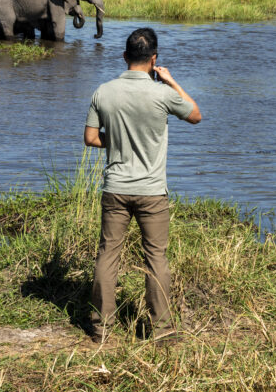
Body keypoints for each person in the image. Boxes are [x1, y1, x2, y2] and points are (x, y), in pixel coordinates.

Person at [84, 27, 202, 342]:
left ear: (125, 56)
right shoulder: (162, 94)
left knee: (108, 253)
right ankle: (162, 330)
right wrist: (171, 81)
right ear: (154, 59)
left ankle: (101, 329)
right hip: (152, 191)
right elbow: (195, 115)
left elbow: (91, 138)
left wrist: (118, 141)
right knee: (156, 257)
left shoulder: (103, 92)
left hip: (116, 188)